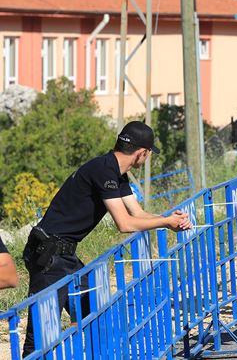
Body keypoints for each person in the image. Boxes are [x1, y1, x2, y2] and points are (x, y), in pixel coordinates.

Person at [21, 121, 192, 355]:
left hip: (64, 255)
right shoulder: (103, 170)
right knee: (40, 335)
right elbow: (125, 223)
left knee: (95, 313)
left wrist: (169, 219)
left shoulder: (116, 172)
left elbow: (138, 214)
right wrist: (165, 222)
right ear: (143, 152)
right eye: (149, 154)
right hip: (49, 255)